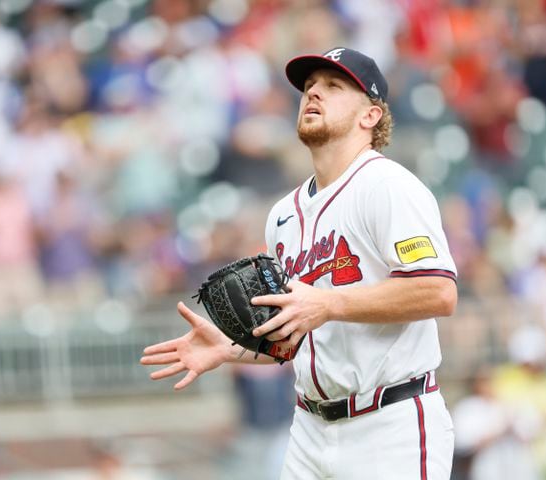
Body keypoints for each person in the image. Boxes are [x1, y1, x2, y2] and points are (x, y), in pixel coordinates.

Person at [141, 46, 458, 480]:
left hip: (391, 424)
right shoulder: (283, 215)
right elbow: (294, 336)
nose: (313, 94)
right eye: (308, 87)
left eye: (333, 86)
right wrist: (230, 348)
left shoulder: (388, 187)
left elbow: (438, 292)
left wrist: (329, 305)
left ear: (371, 116)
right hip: (310, 429)